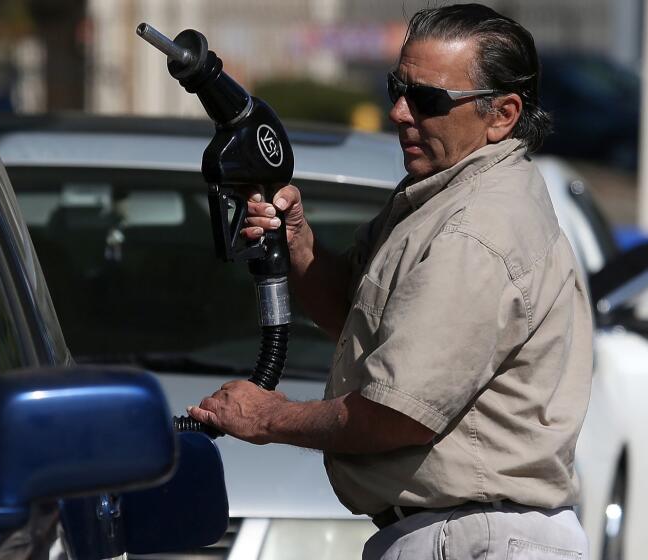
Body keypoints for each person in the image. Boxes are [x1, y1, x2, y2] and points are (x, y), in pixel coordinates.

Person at [188, 4, 592, 558]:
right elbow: (353, 316)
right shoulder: (438, 197)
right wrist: (298, 241)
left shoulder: (475, 231)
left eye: (427, 100)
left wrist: (268, 416)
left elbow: (396, 413)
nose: (400, 112)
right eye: (395, 88)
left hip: (475, 539)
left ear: (502, 114)